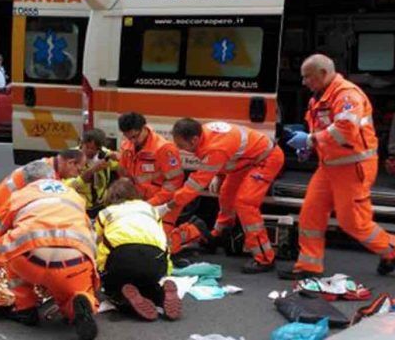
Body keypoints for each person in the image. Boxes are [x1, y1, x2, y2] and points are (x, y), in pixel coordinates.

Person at [281, 54, 395, 280]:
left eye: (307, 77)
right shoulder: (319, 98)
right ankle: (308, 266)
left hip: (353, 167)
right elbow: (323, 130)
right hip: (329, 167)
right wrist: (308, 146)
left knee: (352, 223)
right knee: (310, 215)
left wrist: (310, 140)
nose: (304, 82)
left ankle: (392, 247)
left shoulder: (347, 95)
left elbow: (345, 130)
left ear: (323, 74)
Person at [162, 118, 284, 274]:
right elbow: (228, 155)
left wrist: (170, 204)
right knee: (226, 195)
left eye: (181, 145)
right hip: (247, 160)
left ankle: (265, 258)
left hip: (266, 159)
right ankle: (220, 234)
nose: (179, 149)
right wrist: (219, 175)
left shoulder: (215, 148)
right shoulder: (203, 134)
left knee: (245, 203)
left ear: (194, 140)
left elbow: (196, 185)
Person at [0, 178, 99, 340]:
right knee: (76, 291)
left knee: (8, 248)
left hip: (29, 259)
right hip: (75, 261)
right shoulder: (74, 196)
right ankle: (79, 301)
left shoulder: (20, 195)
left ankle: (25, 309)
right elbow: (91, 233)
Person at [0, 149, 86, 282]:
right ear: (71, 163)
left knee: (3, 245)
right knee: (11, 245)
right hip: (0, 214)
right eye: (78, 170)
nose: (76, 176)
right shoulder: (46, 178)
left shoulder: (45, 166)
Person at [116, 112, 208, 256]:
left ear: (144, 128)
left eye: (134, 136)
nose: (132, 141)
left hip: (165, 202)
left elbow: (175, 182)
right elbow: (125, 174)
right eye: (128, 137)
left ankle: (193, 230)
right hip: (140, 201)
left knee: (160, 248)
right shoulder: (127, 146)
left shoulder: (164, 149)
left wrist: (154, 203)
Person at [94, 178, 180, 321]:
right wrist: (166, 271)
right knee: (148, 282)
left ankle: (123, 299)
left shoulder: (105, 213)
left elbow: (97, 244)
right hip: (156, 260)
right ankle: (160, 295)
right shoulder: (150, 209)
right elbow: (163, 239)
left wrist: (101, 272)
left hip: (122, 258)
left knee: (114, 289)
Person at [64, 129, 118, 216]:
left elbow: (119, 166)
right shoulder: (70, 157)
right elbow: (67, 186)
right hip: (79, 206)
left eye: (94, 149)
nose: (90, 151)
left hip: (100, 205)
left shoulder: (104, 155)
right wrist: (92, 170)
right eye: (87, 147)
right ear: (82, 143)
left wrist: (120, 158)